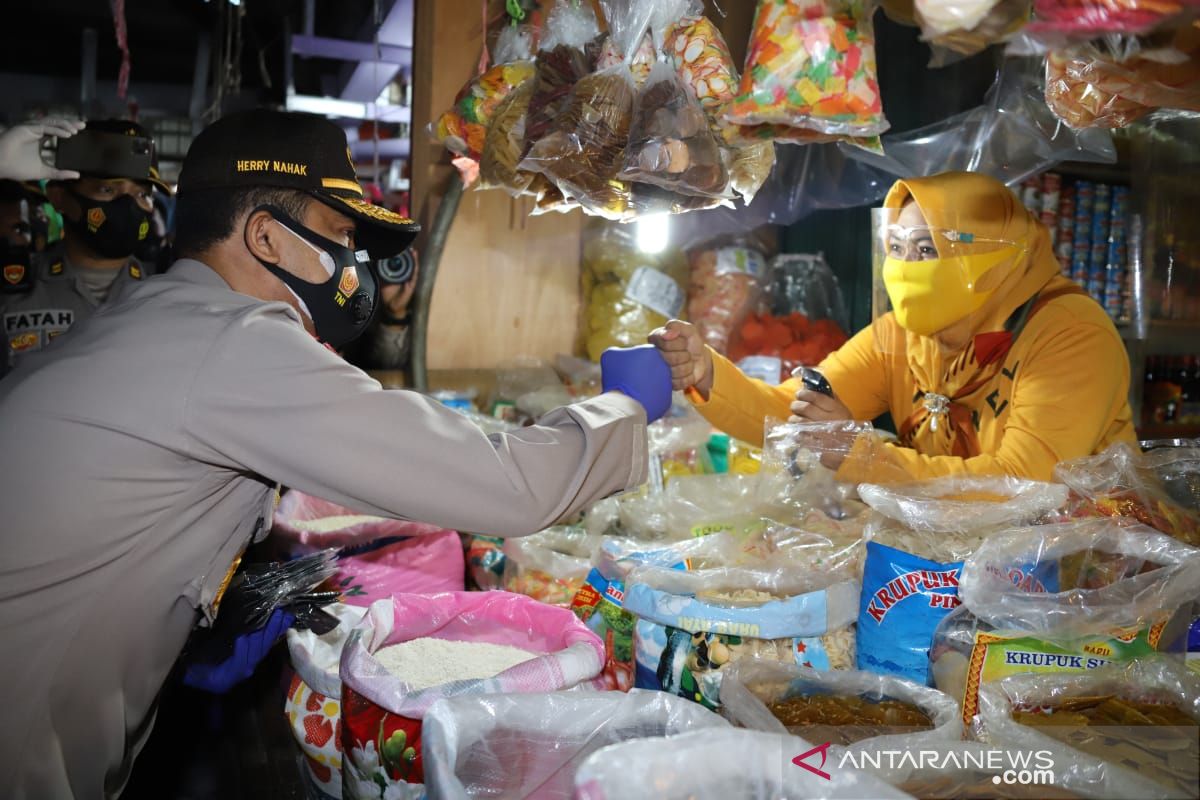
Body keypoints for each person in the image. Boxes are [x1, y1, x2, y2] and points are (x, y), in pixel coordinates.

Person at [0, 109, 670, 799]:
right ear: (264, 235)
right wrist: (628, 406)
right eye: (340, 237)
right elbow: (508, 484)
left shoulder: (158, 314)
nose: (352, 265)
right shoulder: (233, 343)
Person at [652, 171, 1136, 482]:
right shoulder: (900, 336)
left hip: (1085, 579)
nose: (904, 268)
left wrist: (862, 455)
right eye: (897, 249)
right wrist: (706, 374)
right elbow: (790, 416)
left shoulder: (1071, 335)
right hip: (959, 565)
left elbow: (1023, 485)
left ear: (993, 257)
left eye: (927, 251)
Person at [0, 119, 171, 374]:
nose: (127, 205)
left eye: (142, 195)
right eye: (107, 189)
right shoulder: (13, 288)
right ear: (59, 197)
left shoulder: (166, 294)